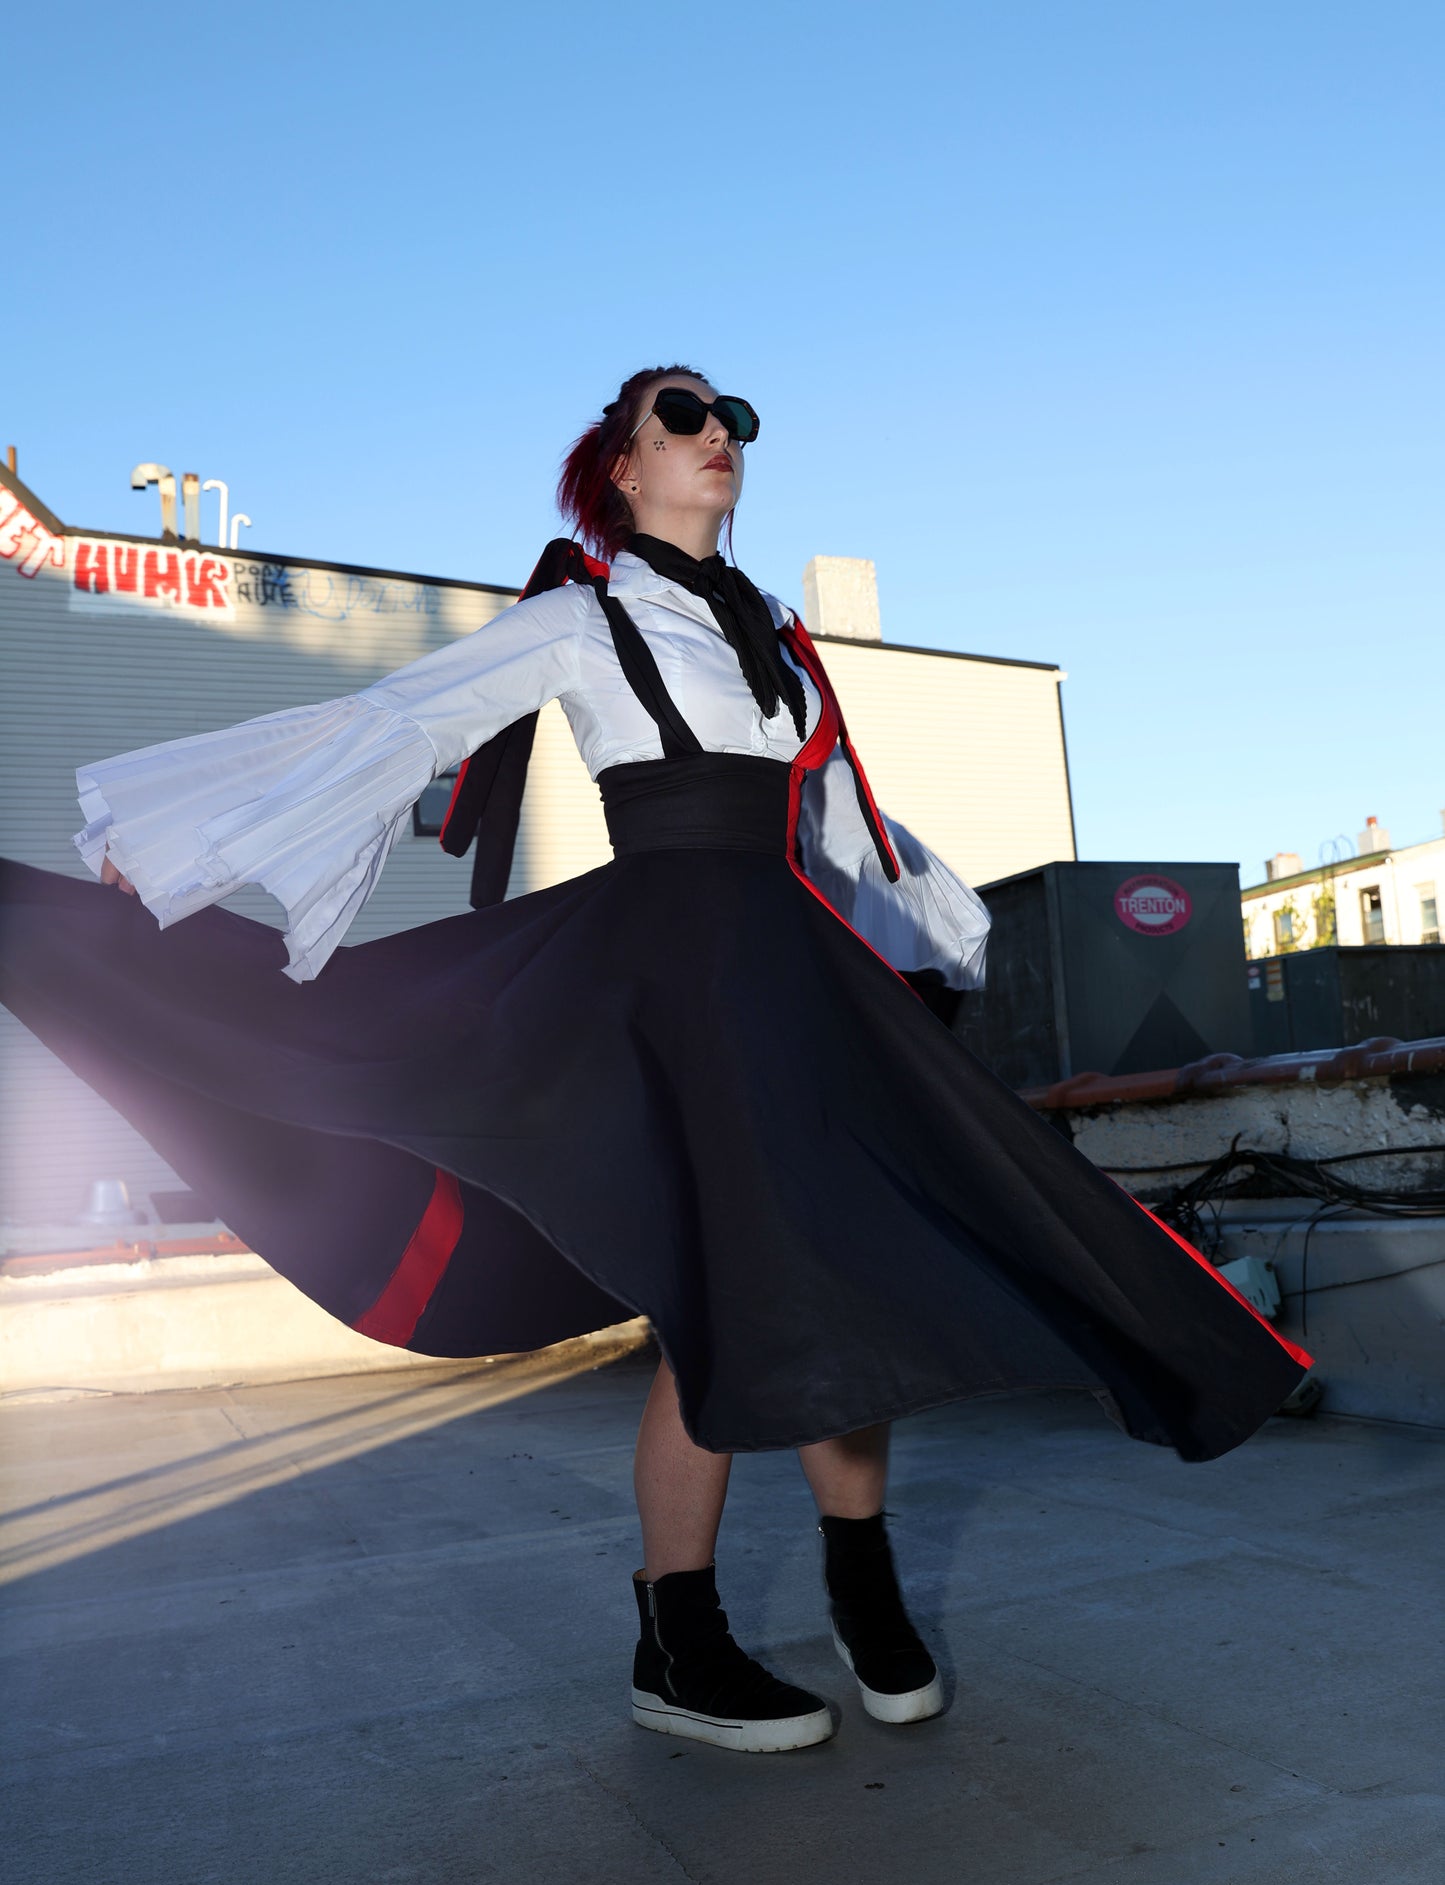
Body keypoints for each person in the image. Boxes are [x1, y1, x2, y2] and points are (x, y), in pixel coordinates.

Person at [0, 366, 1310, 1756]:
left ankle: (859, 1585)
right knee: (716, 1296)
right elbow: (396, 725)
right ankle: (677, 1636)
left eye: (732, 425)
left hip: (793, 978)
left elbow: (842, 832)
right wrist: (182, 848)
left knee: (836, 1270)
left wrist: (928, 948)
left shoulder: (783, 641)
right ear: (619, 470)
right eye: (681, 419)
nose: (717, 441)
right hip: (663, 981)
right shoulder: (579, 615)